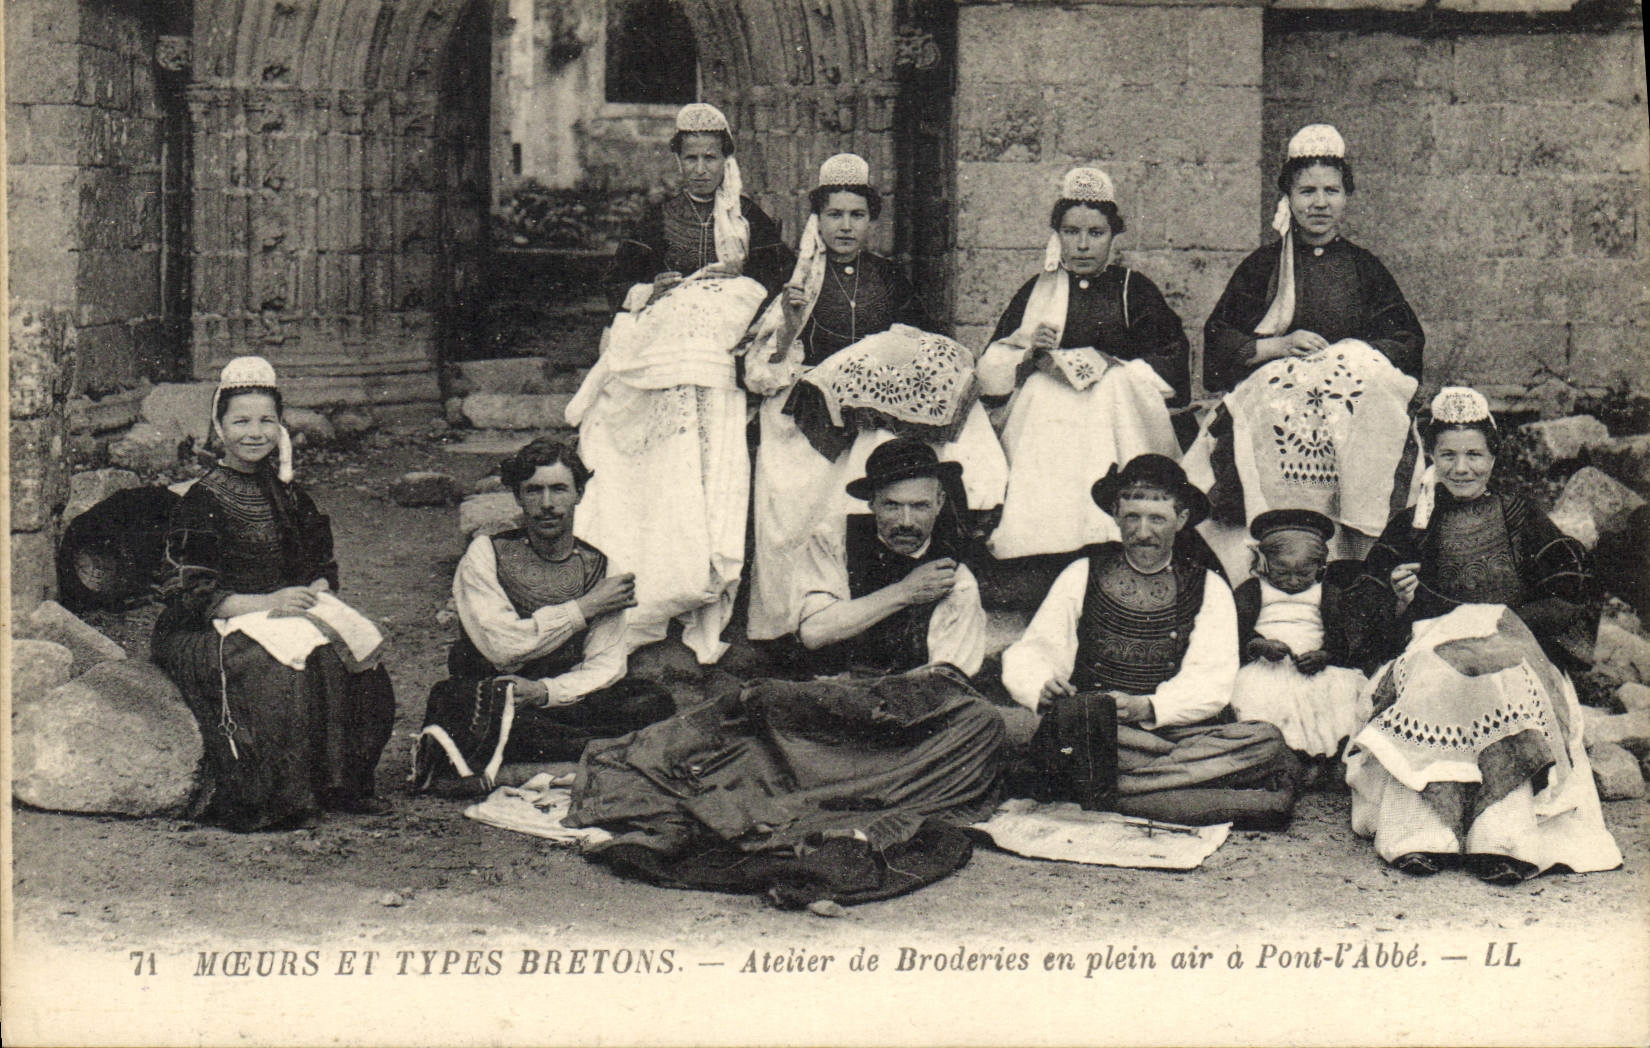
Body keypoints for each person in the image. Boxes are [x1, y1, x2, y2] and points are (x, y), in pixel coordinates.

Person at [1341, 387, 1621, 883]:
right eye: (1448, 455)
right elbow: (1363, 598)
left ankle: (1504, 836)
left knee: (1499, 679)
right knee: (1435, 679)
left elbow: (1569, 585)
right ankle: (1421, 832)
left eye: (1474, 454)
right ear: (1432, 456)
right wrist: (1397, 601)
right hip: (1428, 647)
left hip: (1510, 645)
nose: (1461, 467)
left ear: (1493, 457)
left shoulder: (1520, 516)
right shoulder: (1412, 523)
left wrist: (1508, 623)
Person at [744, 154, 1006, 640]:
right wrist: (789, 323)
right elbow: (762, 370)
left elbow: (922, 348)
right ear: (817, 219)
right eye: (835, 215)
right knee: (792, 481)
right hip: (812, 409)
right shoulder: (797, 281)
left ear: (871, 221)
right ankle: (793, 619)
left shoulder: (890, 278)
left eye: (857, 216)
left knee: (902, 439)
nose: (845, 226)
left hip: (879, 411)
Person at [568, 102, 794, 664]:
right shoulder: (658, 216)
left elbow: (778, 278)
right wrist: (654, 286)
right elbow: (618, 281)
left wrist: (738, 283)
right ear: (677, 162)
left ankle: (707, 570)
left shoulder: (747, 218)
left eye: (709, 158)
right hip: (670, 343)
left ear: (725, 161)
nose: (699, 169)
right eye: (689, 158)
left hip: (722, 345)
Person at [153, 357, 395, 831]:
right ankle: (279, 797)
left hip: (274, 610)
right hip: (205, 626)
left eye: (267, 420)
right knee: (275, 670)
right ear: (219, 428)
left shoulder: (286, 492)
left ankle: (340, 783)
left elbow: (316, 556)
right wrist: (269, 603)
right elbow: (190, 589)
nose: (254, 432)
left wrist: (318, 587)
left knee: (351, 651)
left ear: (280, 427)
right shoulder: (204, 497)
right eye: (240, 421)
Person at [1002, 455, 1299, 826]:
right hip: (1098, 730)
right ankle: (1158, 793)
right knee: (1035, 727)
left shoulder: (1208, 586)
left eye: (1157, 519)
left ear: (1181, 520)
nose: (1143, 532)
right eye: (1132, 517)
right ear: (1115, 516)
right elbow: (1036, 649)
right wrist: (1042, 684)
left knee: (1266, 742)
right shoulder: (1082, 573)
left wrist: (1148, 707)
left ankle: (1101, 788)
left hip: (1173, 737)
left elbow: (1211, 681)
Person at [1194, 124, 1425, 557]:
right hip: (1277, 405)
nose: (1320, 203)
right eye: (1307, 191)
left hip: (1348, 407)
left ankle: (1351, 551)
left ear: (1346, 197)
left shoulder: (1364, 268)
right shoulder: (1263, 266)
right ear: (1288, 197)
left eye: (1331, 190)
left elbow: (1406, 339)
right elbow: (1219, 337)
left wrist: (1353, 356)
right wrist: (1274, 347)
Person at [414, 438, 674, 786]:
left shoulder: (602, 568)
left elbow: (605, 664)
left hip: (556, 701)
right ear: (518, 497)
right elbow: (502, 647)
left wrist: (545, 692)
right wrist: (584, 607)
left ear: (579, 493)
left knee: (650, 700)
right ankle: (598, 760)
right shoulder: (486, 554)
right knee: (459, 700)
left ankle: (516, 768)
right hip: (500, 698)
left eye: (559, 489)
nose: (547, 504)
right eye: (534, 491)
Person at [977, 167, 1189, 559]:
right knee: (1043, 389)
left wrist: (1116, 367)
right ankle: (1040, 541)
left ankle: (1105, 533)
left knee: (1107, 390)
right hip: (1047, 420)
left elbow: (1172, 361)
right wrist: (1028, 353)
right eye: (1072, 232)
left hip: (1113, 414)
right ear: (1058, 236)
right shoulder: (1039, 289)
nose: (1083, 245)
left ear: (1113, 236)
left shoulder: (1133, 290)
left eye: (1096, 234)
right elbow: (990, 368)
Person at [794, 439, 987, 678]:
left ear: (939, 503)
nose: (906, 521)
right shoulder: (836, 539)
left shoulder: (952, 573)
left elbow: (947, 678)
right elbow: (813, 632)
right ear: (872, 503)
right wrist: (905, 592)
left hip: (909, 701)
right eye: (892, 506)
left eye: (920, 506)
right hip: (832, 688)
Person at [1229, 509, 1368, 768]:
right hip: (1267, 668)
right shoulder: (1252, 591)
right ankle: (1286, 761)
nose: (1293, 581)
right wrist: (1259, 645)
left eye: (1303, 574)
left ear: (1319, 567)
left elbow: (1346, 636)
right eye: (1282, 572)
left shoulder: (1328, 594)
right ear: (1265, 564)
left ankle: (1326, 761)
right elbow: (1232, 632)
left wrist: (1325, 655)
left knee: (1337, 699)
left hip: (1316, 668)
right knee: (1263, 700)